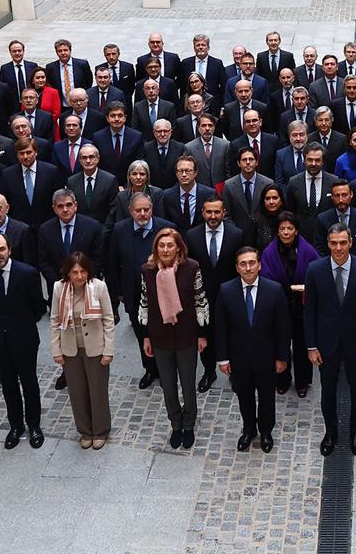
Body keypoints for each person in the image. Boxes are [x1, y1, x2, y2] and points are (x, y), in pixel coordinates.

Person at [305, 224, 356, 457]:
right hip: (326, 344)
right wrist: (311, 346)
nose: (338, 248)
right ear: (328, 243)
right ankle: (331, 432)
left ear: (350, 243)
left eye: (343, 243)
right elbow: (310, 310)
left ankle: (355, 433)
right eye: (334, 243)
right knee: (327, 391)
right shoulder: (315, 269)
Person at [215, 246, 292, 453]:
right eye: (243, 264)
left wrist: (282, 357)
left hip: (266, 358)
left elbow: (283, 328)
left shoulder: (274, 290)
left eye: (251, 263)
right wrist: (222, 359)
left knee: (267, 397)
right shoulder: (226, 290)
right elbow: (220, 327)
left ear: (259, 265)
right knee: (244, 396)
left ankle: (266, 431)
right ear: (237, 268)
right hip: (239, 358)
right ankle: (248, 429)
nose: (248, 268)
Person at [0, 232, 47, 449]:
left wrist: (19, 324)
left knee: (29, 383)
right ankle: (15, 425)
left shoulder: (27, 273)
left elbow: (38, 308)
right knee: (8, 385)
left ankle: (34, 424)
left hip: (23, 339)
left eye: (1, 249)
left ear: (9, 250)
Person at [140, 228, 209, 448]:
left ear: (178, 247)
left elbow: (200, 301)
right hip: (160, 336)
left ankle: (189, 424)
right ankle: (176, 423)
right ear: (156, 248)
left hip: (186, 335)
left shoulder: (192, 268)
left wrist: (202, 334)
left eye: (170, 245)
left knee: (188, 384)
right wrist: (146, 337)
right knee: (168, 386)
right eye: (161, 245)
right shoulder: (147, 270)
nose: (166, 249)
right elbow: (145, 304)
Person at [106, 192, 173, 387]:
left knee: (163, 334)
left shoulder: (166, 228)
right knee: (142, 333)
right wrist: (118, 292)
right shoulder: (119, 230)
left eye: (147, 209)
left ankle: (166, 371)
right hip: (133, 295)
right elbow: (112, 262)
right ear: (130, 211)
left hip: (162, 295)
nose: (143, 214)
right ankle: (150, 369)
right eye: (138, 210)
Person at [50, 251, 114, 449]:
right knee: (77, 392)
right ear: (67, 273)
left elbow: (108, 319)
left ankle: (101, 430)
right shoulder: (59, 288)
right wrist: (56, 350)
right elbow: (54, 320)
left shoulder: (99, 287)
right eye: (75, 272)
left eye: (83, 271)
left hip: (95, 346)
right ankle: (85, 430)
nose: (79, 276)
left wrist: (108, 350)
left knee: (97, 391)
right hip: (71, 348)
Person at [260, 212, 321, 397]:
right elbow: (265, 278)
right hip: (280, 306)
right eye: (282, 229)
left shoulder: (307, 250)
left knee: (302, 345)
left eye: (290, 229)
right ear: (277, 231)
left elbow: (318, 273)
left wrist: (304, 287)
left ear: (296, 231)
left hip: (302, 306)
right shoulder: (269, 252)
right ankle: (282, 379)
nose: (286, 232)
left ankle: (302, 382)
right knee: (281, 344)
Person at [253, 183, 287, 251]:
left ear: (281, 201)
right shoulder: (255, 220)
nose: (271, 202)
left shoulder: (288, 220)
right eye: (267, 198)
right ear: (263, 201)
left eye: (275, 198)